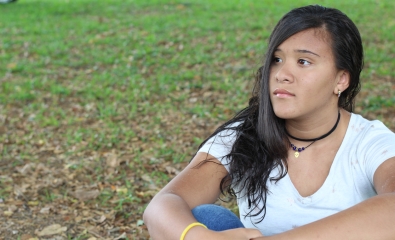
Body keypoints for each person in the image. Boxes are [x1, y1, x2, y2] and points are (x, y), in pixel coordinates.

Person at [143, 5, 395, 240]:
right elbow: (163, 205)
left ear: (341, 79)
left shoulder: (369, 141)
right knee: (207, 219)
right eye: (276, 60)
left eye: (303, 62)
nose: (282, 74)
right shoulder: (244, 136)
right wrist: (201, 237)